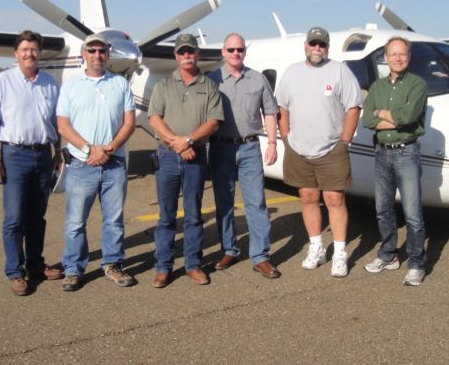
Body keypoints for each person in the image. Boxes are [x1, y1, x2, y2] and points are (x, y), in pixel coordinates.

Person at [276, 26, 362, 277]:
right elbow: (282, 108)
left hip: (332, 149)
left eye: (321, 45)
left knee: (335, 200)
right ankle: (316, 247)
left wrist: (344, 141)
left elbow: (353, 107)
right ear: (305, 45)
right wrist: (286, 138)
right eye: (313, 44)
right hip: (298, 149)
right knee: (308, 198)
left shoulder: (339, 71)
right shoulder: (291, 72)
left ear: (327, 48)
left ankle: (340, 253)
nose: (317, 48)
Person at [0, 30, 62, 296]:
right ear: (16, 53)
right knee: (14, 218)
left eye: (34, 49)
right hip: (14, 155)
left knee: (37, 216)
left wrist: (58, 152)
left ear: (39, 53)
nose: (30, 53)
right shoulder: (2, 81)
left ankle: (36, 264)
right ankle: (16, 272)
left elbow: (56, 122)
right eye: (24, 49)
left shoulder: (50, 82)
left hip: (42, 155)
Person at [56, 33, 136, 292]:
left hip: (114, 164)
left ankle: (112, 264)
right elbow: (63, 125)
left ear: (108, 54)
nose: (97, 55)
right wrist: (89, 149)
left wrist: (109, 148)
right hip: (81, 164)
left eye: (102, 51)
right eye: (92, 51)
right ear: (83, 54)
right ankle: (73, 269)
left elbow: (129, 122)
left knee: (114, 219)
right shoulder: (70, 86)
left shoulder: (121, 84)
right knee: (76, 221)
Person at [148, 33, 224, 288]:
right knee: (166, 216)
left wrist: (189, 141)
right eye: (182, 52)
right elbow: (154, 118)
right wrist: (177, 143)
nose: (186, 55)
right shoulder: (164, 86)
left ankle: (192, 264)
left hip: (195, 156)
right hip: (168, 156)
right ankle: (163, 266)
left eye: (190, 51)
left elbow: (213, 121)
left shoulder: (209, 85)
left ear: (197, 54)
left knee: (193, 214)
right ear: (176, 56)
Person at [208, 33, 281, 279]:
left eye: (240, 49)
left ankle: (260, 256)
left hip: (250, 147)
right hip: (221, 148)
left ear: (244, 52)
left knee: (256, 203)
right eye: (231, 50)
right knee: (224, 203)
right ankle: (229, 249)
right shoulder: (212, 79)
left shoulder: (257, 79)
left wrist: (272, 143)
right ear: (223, 52)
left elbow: (270, 112)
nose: (236, 53)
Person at [362, 36, 428, 286]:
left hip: (407, 153)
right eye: (393, 54)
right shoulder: (377, 87)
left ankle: (416, 262)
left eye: (402, 54)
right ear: (386, 58)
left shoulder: (417, 85)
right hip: (381, 153)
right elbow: (367, 119)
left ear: (408, 57)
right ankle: (388, 255)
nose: (397, 58)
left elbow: (410, 116)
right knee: (383, 210)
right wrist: (392, 117)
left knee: (412, 214)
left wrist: (383, 113)